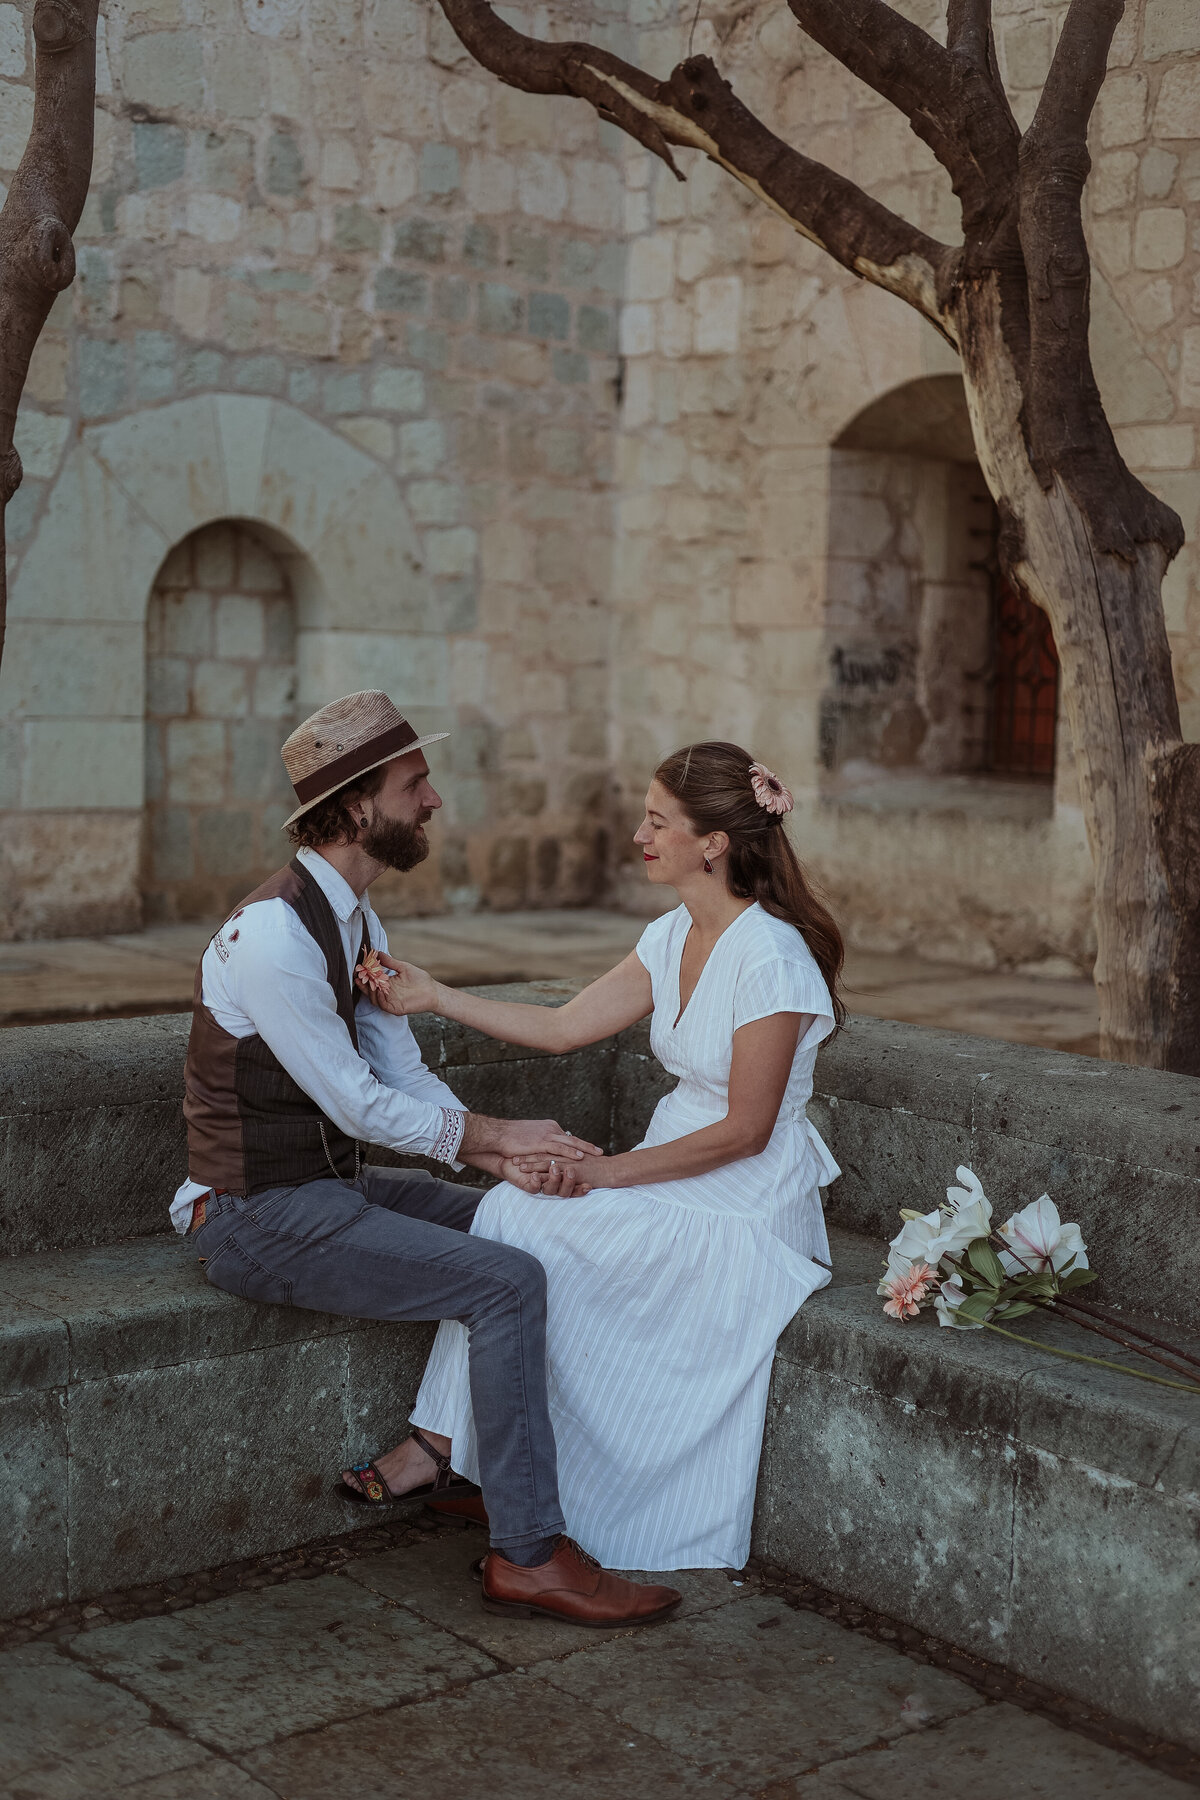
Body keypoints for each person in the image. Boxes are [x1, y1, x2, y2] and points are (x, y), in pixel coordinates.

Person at [173, 688, 682, 1628]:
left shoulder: (357, 924)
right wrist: (493, 1137)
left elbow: (401, 1075)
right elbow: (355, 1104)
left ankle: (485, 1477)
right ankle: (527, 1553)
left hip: (327, 1190)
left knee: (529, 1221)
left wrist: (503, 1169)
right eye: (418, 784)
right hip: (252, 1215)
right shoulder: (274, 935)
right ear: (362, 804)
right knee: (504, 1283)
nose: (435, 801)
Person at [359, 740, 845, 1571]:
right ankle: (441, 1443)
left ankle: (441, 1450)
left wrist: (603, 1172)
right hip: (671, 1167)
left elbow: (746, 1131)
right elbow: (561, 1027)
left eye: (658, 823)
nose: (638, 836)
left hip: (747, 1200)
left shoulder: (773, 957)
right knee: (514, 1209)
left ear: (715, 843)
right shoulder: (673, 934)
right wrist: (433, 995)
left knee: (529, 1217)